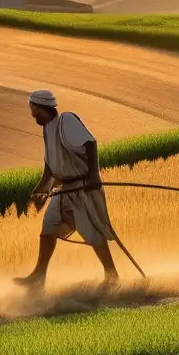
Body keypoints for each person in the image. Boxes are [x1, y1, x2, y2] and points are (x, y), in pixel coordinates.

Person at [14, 89, 119, 291]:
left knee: (92, 233)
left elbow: (90, 143)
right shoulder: (46, 129)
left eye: (33, 110)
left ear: (43, 107)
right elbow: (50, 168)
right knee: (47, 230)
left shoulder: (66, 120)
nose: (32, 114)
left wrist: (94, 177)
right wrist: (40, 190)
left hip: (82, 188)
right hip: (63, 190)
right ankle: (38, 276)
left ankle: (112, 275)